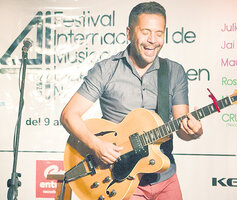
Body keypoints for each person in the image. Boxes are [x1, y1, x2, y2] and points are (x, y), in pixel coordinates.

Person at [60, 1, 203, 199]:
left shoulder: (174, 72)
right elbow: (69, 115)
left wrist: (194, 131)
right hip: (119, 180)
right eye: (145, 32)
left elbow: (182, 129)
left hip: (164, 176)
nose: (152, 40)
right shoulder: (106, 70)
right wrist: (96, 145)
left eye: (159, 33)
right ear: (129, 33)